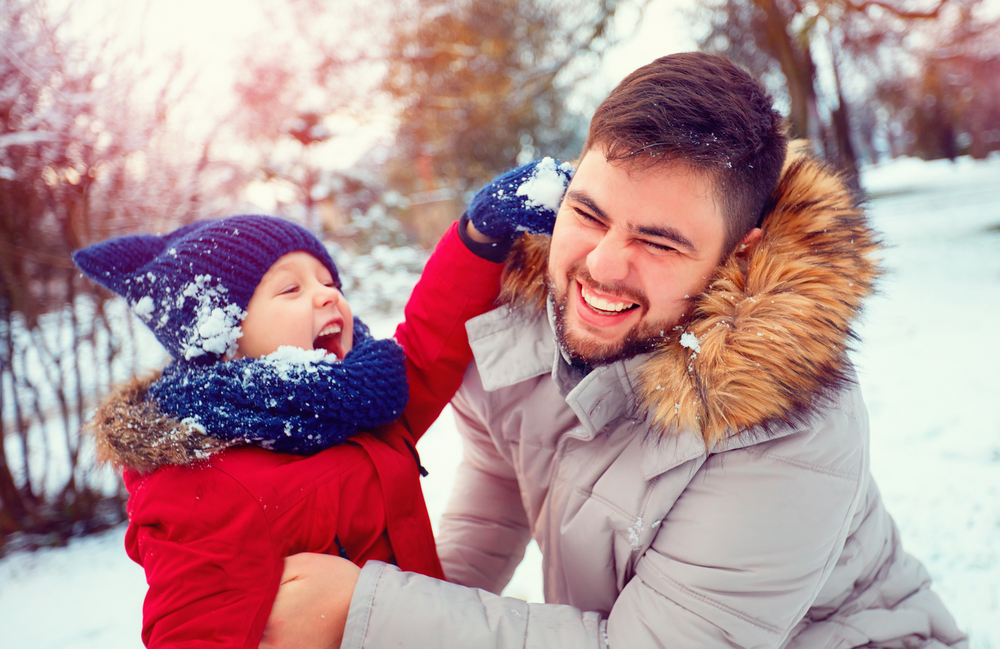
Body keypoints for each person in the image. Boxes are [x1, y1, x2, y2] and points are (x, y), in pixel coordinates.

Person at [262, 52, 968, 649]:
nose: (601, 265)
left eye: (658, 241)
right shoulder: (523, 323)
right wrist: (355, 610)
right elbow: (495, 502)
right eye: (588, 213)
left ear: (738, 252)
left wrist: (369, 610)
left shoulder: (790, 424)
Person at [73, 159, 571, 649]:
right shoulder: (202, 483)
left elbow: (424, 345)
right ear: (222, 339)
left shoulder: (356, 401)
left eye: (329, 282)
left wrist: (476, 239)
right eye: (291, 288)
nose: (326, 297)